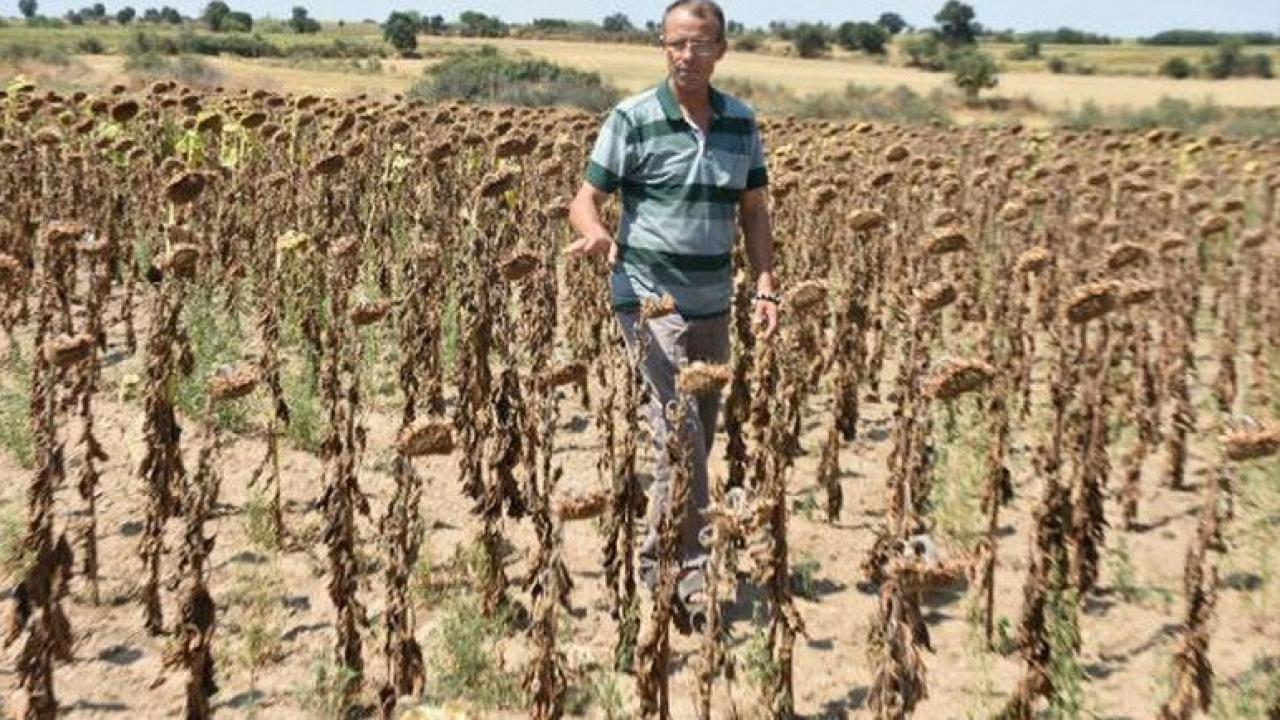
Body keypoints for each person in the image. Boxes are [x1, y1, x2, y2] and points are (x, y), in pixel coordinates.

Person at [565, 0, 777, 631]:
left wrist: (765, 283)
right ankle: (678, 569)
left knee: (698, 436)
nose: (689, 55)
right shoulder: (631, 118)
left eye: (702, 44)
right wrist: (599, 235)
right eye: (677, 44)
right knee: (678, 433)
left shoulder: (741, 122)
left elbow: (755, 211)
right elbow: (584, 201)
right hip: (649, 299)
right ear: (663, 47)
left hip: (714, 299)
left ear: (722, 50)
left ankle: (672, 553)